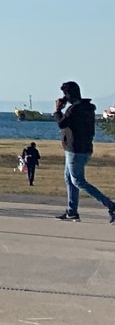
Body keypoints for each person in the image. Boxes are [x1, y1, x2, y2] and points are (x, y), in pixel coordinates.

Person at [53, 81, 112, 221]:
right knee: (69, 179)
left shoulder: (74, 109)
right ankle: (72, 211)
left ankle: (111, 205)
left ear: (68, 95)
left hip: (75, 150)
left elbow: (62, 124)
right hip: (82, 148)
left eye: (65, 94)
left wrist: (57, 110)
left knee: (78, 181)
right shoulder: (87, 108)